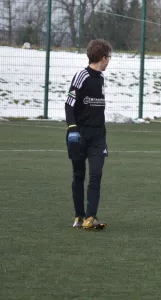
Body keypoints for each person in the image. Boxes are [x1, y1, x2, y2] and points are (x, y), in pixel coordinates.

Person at [65, 39, 112, 230]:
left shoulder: (100, 78)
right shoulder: (81, 76)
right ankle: (79, 216)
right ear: (103, 58)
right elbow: (69, 104)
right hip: (79, 134)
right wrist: (72, 129)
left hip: (98, 136)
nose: (109, 61)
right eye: (108, 57)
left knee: (96, 174)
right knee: (79, 175)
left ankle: (91, 217)